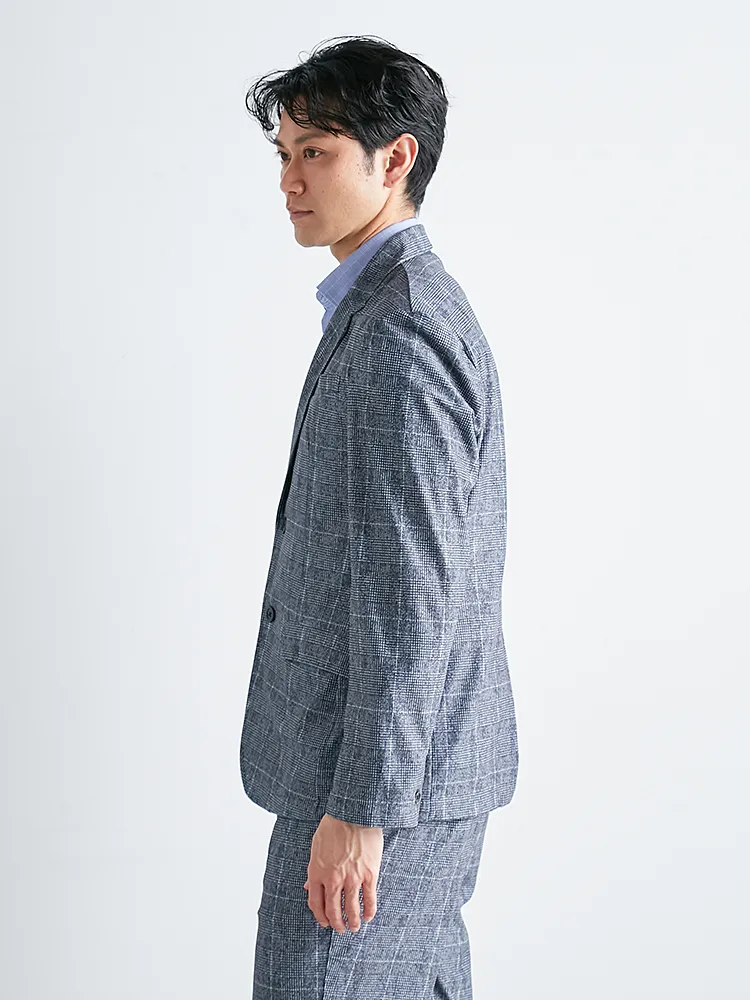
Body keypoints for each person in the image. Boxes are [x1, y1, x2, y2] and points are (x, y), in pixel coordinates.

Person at [239, 34, 519, 999]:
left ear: (395, 159)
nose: (289, 180)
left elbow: (412, 597)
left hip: (378, 789)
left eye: (315, 152)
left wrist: (363, 809)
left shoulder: (401, 331)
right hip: (399, 775)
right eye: (284, 154)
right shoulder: (384, 308)